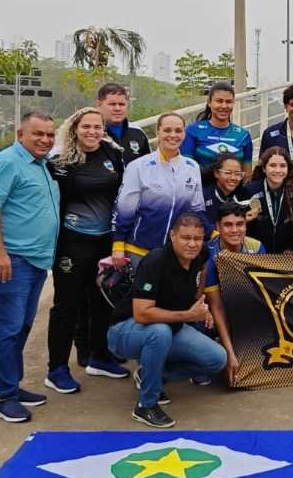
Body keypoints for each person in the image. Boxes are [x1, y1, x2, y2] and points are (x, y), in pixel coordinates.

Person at [106, 213, 227, 428]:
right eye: (185, 238)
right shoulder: (155, 260)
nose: (192, 244)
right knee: (159, 332)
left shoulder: (200, 255)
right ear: (172, 236)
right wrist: (189, 316)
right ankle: (146, 405)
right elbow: (142, 314)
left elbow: (203, 269)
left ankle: (150, 373)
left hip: (170, 326)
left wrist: (200, 304)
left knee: (217, 359)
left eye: (197, 239)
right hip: (125, 330)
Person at [0, 112, 60, 422]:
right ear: (20, 134)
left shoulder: (40, 164)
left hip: (35, 259)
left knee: (22, 325)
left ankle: (11, 384)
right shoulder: (8, 161)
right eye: (38, 134)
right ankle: (3, 397)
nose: (45, 140)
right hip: (10, 259)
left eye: (50, 135)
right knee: (6, 328)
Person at [44, 107, 128, 396]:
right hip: (72, 241)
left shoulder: (112, 155)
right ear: (74, 128)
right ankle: (56, 369)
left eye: (97, 127)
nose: (92, 132)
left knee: (102, 301)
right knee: (67, 305)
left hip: (104, 241)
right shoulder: (60, 161)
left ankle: (99, 357)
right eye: (86, 127)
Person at [112, 113, 205, 266]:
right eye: (167, 130)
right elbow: (124, 209)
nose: (173, 135)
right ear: (158, 133)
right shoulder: (138, 166)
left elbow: (196, 210)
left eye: (178, 131)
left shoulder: (192, 167)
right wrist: (118, 245)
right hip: (139, 250)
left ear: (184, 134)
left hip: (175, 252)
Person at [203, 200, 266, 385]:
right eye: (228, 225)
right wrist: (230, 354)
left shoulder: (257, 248)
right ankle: (217, 351)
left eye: (240, 224)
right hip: (213, 312)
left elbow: (262, 295)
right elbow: (217, 307)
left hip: (246, 307)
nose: (235, 230)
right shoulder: (209, 254)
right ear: (218, 227)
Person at [244, 147, 293, 254]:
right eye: (272, 165)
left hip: (286, 257)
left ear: (288, 168)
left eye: (283, 166)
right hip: (256, 255)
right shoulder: (250, 191)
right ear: (264, 168)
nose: (278, 170)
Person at [181, 81, 254, 173]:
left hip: (234, 187)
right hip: (201, 186)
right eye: (219, 101)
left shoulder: (243, 135)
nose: (224, 106)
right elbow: (185, 170)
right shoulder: (192, 131)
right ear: (209, 102)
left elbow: (247, 175)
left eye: (229, 102)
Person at [97, 82, 150, 165]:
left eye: (121, 104)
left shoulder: (138, 133)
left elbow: (148, 167)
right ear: (99, 104)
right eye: (112, 104)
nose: (117, 108)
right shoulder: (91, 134)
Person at [202, 153, 253, 225]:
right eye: (228, 173)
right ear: (216, 173)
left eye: (237, 174)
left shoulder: (242, 195)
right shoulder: (203, 197)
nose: (233, 178)